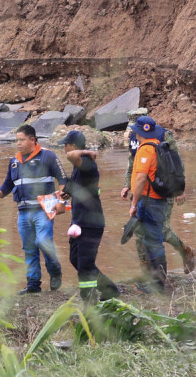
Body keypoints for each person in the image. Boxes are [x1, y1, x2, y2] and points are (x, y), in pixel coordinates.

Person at [0, 124, 65, 294]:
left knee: (43, 242)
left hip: (43, 210)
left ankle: (55, 272)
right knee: (29, 248)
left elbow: (63, 179)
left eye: (21, 140)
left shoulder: (48, 156)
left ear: (32, 139)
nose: (18, 143)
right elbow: (8, 183)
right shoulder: (14, 161)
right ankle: (33, 284)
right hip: (23, 212)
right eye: (16, 140)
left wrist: (62, 202)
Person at [122, 117, 196, 274]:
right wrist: (127, 185)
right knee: (140, 232)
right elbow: (132, 162)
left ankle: (184, 252)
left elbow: (176, 163)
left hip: (161, 190)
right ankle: (147, 274)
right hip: (141, 192)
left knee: (160, 230)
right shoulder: (133, 138)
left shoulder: (163, 135)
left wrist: (180, 189)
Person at [59, 130, 119, 303]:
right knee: (76, 259)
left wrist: (87, 152)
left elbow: (71, 155)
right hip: (80, 221)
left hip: (90, 223)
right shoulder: (79, 167)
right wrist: (66, 194)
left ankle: (89, 299)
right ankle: (109, 289)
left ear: (73, 146)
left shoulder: (87, 163)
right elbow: (77, 184)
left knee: (85, 264)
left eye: (65, 145)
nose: (64, 148)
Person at [126, 116, 171, 291]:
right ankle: (156, 280)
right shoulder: (158, 146)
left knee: (153, 241)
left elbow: (141, 179)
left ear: (138, 132)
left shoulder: (145, 150)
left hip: (149, 200)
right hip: (158, 200)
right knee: (153, 240)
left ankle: (158, 284)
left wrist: (134, 203)